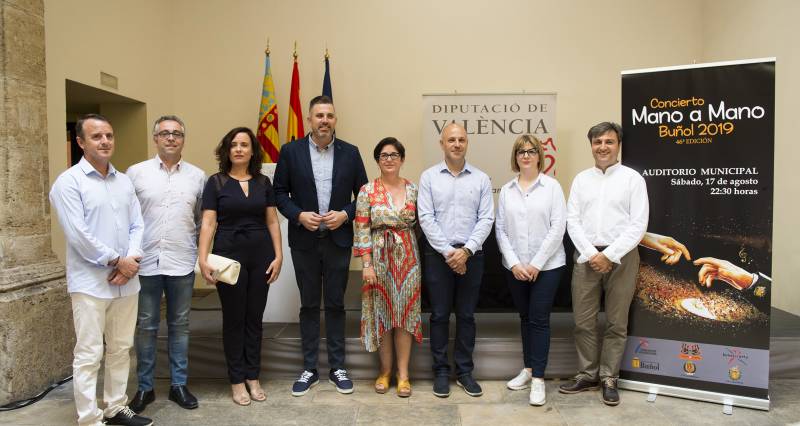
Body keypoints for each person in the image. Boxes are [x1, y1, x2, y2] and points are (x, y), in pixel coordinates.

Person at [49, 114, 152, 426]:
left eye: (109, 135)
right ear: (81, 142)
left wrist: (131, 260)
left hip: (126, 281)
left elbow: (138, 224)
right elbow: (78, 234)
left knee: (121, 348)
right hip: (91, 284)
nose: (105, 141)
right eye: (96, 137)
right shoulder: (68, 183)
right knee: (89, 353)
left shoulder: (124, 182)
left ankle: (115, 407)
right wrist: (116, 260)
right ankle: (89, 418)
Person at [273, 95, 368, 396]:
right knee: (310, 304)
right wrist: (298, 215)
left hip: (338, 241)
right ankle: (310, 368)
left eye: (329, 115)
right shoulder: (290, 152)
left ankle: (338, 367)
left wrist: (345, 214)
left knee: (337, 304)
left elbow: (364, 195)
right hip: (304, 241)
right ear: (309, 119)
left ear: (335, 119)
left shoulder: (351, 153)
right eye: (319, 115)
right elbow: (279, 193)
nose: (324, 120)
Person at [560, 122, 649, 406]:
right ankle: (587, 374)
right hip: (586, 258)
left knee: (616, 323)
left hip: (622, 258)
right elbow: (571, 220)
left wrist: (609, 255)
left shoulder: (633, 179)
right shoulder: (581, 179)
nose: (603, 147)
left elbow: (638, 224)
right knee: (583, 322)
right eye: (598, 142)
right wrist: (591, 253)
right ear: (591, 146)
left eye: (609, 142)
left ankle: (609, 377)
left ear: (618, 145)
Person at [198, 127, 283, 406]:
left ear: (252, 150)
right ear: (227, 150)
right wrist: (203, 258)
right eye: (234, 144)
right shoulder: (216, 182)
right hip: (228, 256)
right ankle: (236, 381)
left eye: (244, 144)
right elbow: (209, 223)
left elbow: (272, 221)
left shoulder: (263, 183)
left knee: (254, 319)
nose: (238, 149)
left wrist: (279, 255)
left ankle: (252, 376)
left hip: (261, 255)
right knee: (234, 320)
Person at [126, 115, 205, 413]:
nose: (171, 138)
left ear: (183, 139)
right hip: (144, 262)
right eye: (165, 133)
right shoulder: (135, 173)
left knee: (180, 325)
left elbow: (201, 221)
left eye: (177, 133)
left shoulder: (198, 176)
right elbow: (126, 218)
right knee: (145, 325)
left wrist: (200, 256)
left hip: (181, 261)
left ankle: (178, 385)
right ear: (155, 138)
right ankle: (145, 388)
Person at [418, 122, 494, 398]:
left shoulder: (481, 179)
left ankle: (464, 372)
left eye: (461, 139)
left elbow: (486, 218)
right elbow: (426, 218)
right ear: (442, 144)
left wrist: (467, 251)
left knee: (466, 316)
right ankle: (440, 371)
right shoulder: (428, 177)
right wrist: (449, 252)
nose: (457, 144)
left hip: (472, 256)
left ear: (467, 143)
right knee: (438, 315)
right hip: (439, 256)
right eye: (451, 140)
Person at [495, 135, 566, 406]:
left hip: (547, 266)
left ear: (540, 156)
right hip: (515, 267)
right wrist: (514, 263)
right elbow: (500, 229)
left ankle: (538, 379)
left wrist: (536, 263)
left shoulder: (552, 187)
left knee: (538, 319)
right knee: (525, 318)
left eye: (531, 151)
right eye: (520, 151)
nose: (525, 155)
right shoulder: (507, 190)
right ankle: (527, 369)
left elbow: (558, 227)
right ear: (515, 157)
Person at [353, 137, 421, 397]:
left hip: (408, 261)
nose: (389, 159)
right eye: (384, 155)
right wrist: (367, 264)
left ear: (402, 159)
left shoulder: (413, 189)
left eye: (394, 155)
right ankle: (384, 371)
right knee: (382, 316)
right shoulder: (367, 191)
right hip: (378, 260)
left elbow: (418, 225)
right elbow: (361, 229)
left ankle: (403, 375)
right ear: (377, 160)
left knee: (405, 318)